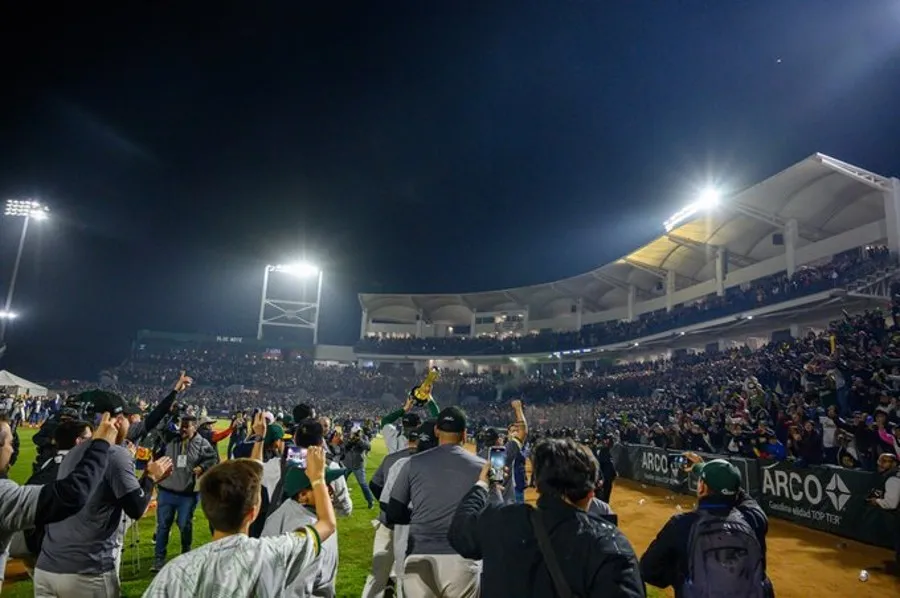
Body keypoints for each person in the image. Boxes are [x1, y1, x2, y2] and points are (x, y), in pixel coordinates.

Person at [448, 437, 644, 598]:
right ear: (590, 493)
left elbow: (459, 534)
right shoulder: (608, 542)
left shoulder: (501, 519)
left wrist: (482, 484)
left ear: (539, 485)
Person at [143, 446, 337, 597]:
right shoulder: (273, 553)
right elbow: (327, 524)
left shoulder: (175, 571)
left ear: (207, 510)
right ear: (253, 513)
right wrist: (318, 479)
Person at [34, 392, 174, 598]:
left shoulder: (73, 451)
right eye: (127, 419)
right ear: (118, 420)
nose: (130, 424)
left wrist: (146, 479)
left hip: (46, 568)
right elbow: (136, 508)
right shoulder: (116, 453)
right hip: (86, 572)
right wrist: (151, 477)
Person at [0, 413, 119, 594]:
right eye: (10, 443)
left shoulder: (48, 463)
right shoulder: (3, 494)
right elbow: (71, 494)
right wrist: (101, 445)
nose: (12, 450)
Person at [640, 453, 773, 598]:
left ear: (702, 488)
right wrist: (719, 476)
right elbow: (742, 496)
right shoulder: (754, 518)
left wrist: (680, 578)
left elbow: (648, 571)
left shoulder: (681, 524)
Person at [386, 407, 484, 598]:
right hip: (462, 560)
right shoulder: (482, 467)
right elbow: (493, 514)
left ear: (437, 431)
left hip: (419, 555)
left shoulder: (412, 463)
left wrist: (420, 517)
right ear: (464, 434)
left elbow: (394, 513)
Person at [262, 463, 349, 597]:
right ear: (303, 495)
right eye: (322, 485)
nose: (331, 489)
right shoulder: (311, 533)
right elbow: (294, 592)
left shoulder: (288, 509)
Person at [152, 414, 219, 572]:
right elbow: (159, 427)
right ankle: (159, 559)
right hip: (166, 491)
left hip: (187, 494)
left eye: (186, 427)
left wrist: (202, 467)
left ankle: (185, 554)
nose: (182, 429)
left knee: (184, 525)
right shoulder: (172, 438)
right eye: (181, 425)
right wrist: (171, 412)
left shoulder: (202, 443)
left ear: (194, 427)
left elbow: (213, 459)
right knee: (163, 526)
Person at [362, 423, 420, 598]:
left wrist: (386, 504)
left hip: (386, 522)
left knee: (377, 574)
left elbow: (374, 485)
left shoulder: (391, 458)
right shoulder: (425, 461)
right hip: (409, 526)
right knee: (406, 575)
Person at [867, 453, 899, 576]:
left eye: (885, 462)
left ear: (894, 464)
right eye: (880, 462)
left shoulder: (892, 479)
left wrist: (877, 501)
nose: (880, 465)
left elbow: (891, 504)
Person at [342, 424, 375, 509]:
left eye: (358, 432)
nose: (357, 433)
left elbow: (368, 447)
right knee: (341, 482)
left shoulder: (363, 437)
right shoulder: (347, 436)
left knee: (363, 483)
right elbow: (344, 448)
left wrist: (359, 440)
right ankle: (341, 499)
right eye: (355, 432)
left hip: (358, 465)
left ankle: (370, 500)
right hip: (347, 464)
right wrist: (350, 442)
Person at [502, 399, 528, 505]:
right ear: (508, 433)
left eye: (516, 431)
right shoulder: (503, 448)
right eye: (512, 431)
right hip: (505, 489)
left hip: (518, 486)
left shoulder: (521, 447)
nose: (515, 433)